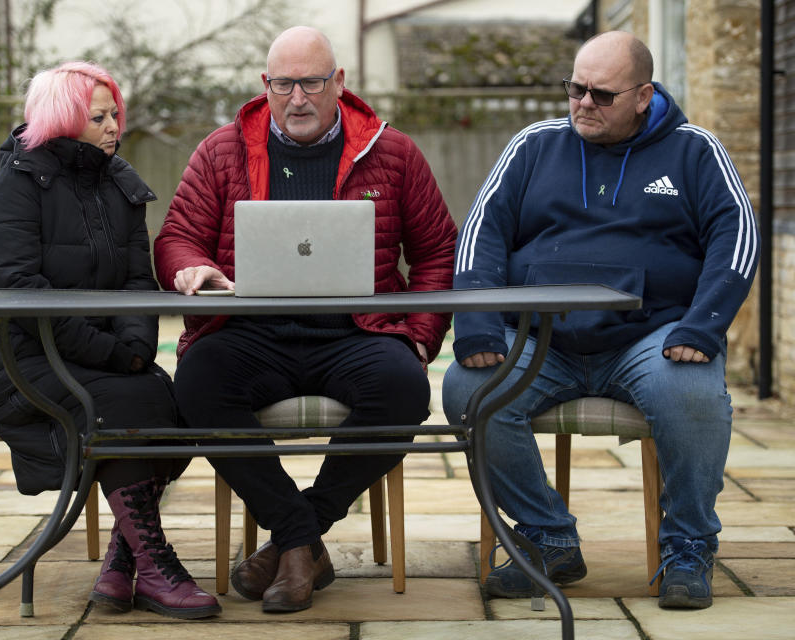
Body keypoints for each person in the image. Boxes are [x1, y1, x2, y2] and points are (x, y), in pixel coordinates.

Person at [443, 31, 759, 610]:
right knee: (468, 388)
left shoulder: (695, 151)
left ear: (643, 95)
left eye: (602, 95)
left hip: (650, 338)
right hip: (542, 340)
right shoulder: (533, 146)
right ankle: (548, 537)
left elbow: (737, 237)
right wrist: (479, 326)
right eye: (575, 88)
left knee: (692, 388)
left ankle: (688, 546)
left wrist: (702, 325)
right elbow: (480, 234)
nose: (583, 103)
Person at [153, 26, 457, 613]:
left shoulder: (392, 153)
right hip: (248, 336)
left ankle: (293, 537)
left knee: (405, 389)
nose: (297, 98)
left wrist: (420, 337)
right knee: (195, 384)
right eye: (283, 84)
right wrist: (190, 267)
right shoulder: (222, 151)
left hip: (356, 332)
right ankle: (301, 540)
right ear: (264, 85)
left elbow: (437, 249)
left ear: (339, 83)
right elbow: (177, 237)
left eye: (311, 83)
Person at [0, 61, 220, 619]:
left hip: (89, 350)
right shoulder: (19, 182)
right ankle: (155, 562)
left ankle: (126, 562)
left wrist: (138, 348)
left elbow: (137, 282)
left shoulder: (119, 184)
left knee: (186, 398)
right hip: (4, 351)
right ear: (63, 119)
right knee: (123, 402)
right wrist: (113, 355)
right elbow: (22, 292)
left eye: (114, 113)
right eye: (97, 116)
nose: (112, 126)